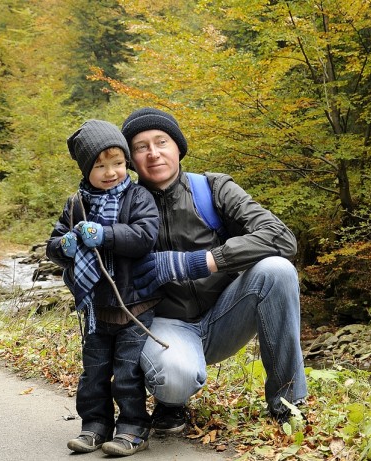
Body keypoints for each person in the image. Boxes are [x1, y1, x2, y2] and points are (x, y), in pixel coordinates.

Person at [121, 107, 307, 433]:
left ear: (178, 147)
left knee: (277, 270)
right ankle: (170, 401)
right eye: (141, 147)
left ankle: (288, 404)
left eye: (161, 142)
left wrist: (202, 261)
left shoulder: (212, 189)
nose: (153, 153)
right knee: (174, 378)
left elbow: (281, 238)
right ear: (131, 159)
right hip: (167, 325)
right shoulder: (123, 207)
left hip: (225, 315)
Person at [46, 120, 211, 456]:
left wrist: (106, 235)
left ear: (127, 164)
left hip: (135, 305)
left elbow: (143, 238)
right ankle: (94, 426)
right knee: (93, 375)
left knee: (127, 373)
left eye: (118, 163)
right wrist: (64, 245)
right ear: (85, 169)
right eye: (101, 166)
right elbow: (53, 244)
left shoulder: (137, 197)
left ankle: (133, 428)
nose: (111, 172)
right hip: (95, 309)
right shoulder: (76, 203)